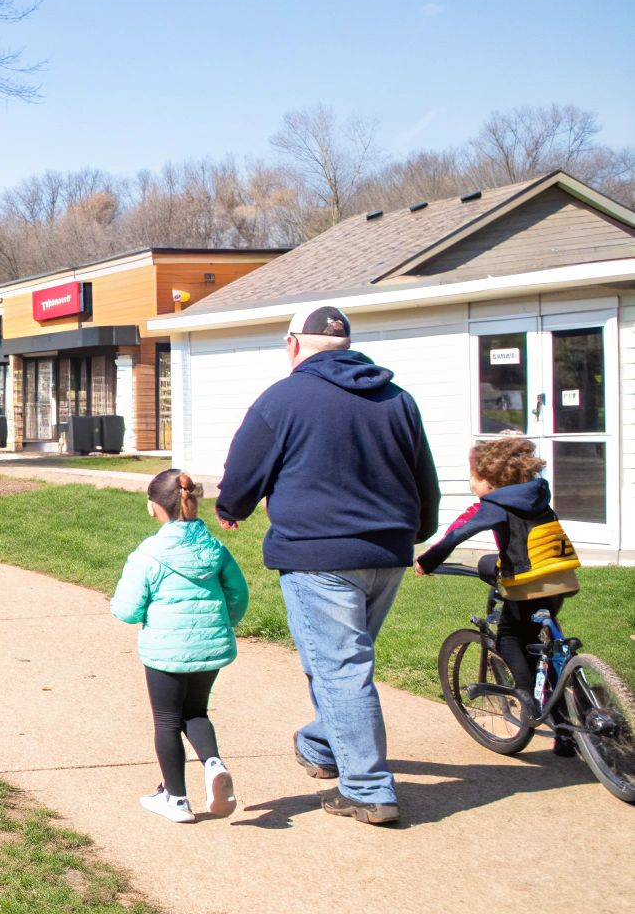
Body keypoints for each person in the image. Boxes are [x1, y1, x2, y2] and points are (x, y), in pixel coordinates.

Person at [215, 305, 439, 826]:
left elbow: (243, 471)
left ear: (294, 345)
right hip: (387, 555)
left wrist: (232, 508)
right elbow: (423, 473)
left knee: (340, 667)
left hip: (320, 556)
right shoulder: (397, 399)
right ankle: (321, 747)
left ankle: (368, 788)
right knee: (341, 663)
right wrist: (418, 531)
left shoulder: (284, 398)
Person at [414, 435, 581, 754]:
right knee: (538, 644)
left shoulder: (496, 504)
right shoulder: (536, 494)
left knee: (508, 637)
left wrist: (427, 560)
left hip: (529, 583)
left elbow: (461, 533)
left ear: (490, 480)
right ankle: (566, 731)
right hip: (561, 577)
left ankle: (527, 700)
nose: (470, 483)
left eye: (473, 477)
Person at [112, 470, 248, 823]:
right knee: (196, 711)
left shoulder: (149, 553)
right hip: (210, 647)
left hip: (165, 650)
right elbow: (238, 593)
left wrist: (138, 611)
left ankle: (175, 798)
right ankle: (213, 764)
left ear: (153, 508)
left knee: (167, 720)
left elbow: (127, 610)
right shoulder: (215, 548)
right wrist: (223, 622)